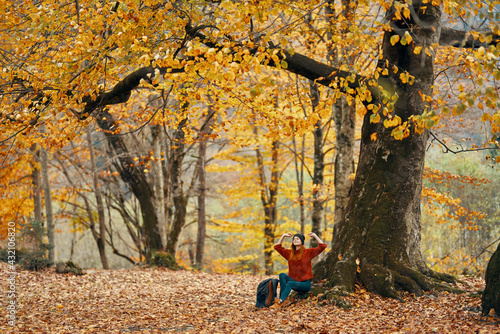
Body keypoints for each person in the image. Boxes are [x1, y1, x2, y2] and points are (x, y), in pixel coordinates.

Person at [271, 232, 327, 308]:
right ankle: (284, 300)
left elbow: (322, 246)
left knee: (290, 283)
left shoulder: (308, 252)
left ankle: (280, 301)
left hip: (305, 285)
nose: (295, 240)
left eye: (297, 239)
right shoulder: (289, 253)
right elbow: (277, 247)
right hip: (294, 282)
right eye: (294, 239)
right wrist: (283, 236)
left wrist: (314, 235)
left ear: (301, 242)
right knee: (282, 275)